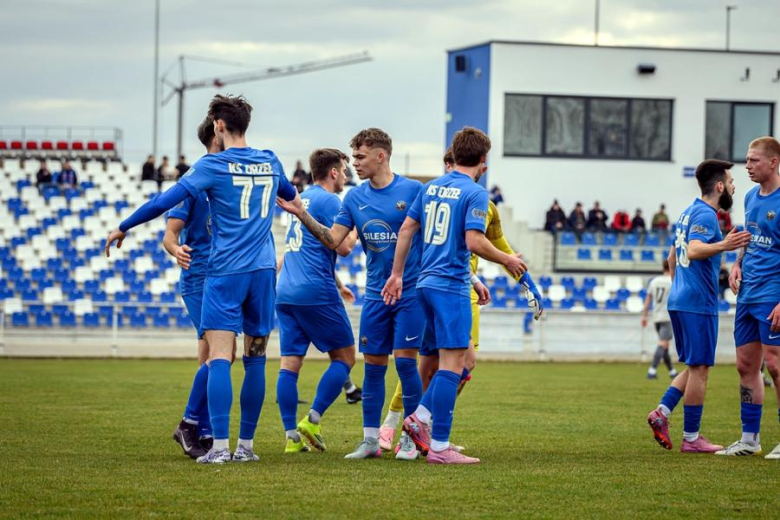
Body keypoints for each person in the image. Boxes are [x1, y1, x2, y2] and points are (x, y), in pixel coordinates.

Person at [105, 94, 299, 464]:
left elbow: (164, 200)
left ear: (219, 125)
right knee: (256, 358)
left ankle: (220, 448)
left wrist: (123, 225)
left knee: (220, 357)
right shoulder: (270, 160)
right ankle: (247, 448)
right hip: (262, 271)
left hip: (225, 270)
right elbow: (291, 196)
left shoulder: (213, 165)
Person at [379, 149, 543, 451]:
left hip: (435, 286)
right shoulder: (470, 194)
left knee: (441, 364)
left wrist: (398, 273)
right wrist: (506, 263)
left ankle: (416, 434)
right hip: (450, 288)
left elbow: (494, 244)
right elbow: (473, 242)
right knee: (450, 364)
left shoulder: (438, 191)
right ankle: (416, 428)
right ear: (482, 163)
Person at [277, 128, 426, 461]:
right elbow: (334, 241)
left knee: (405, 366)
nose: (355, 164)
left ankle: (410, 439)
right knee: (372, 369)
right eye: (353, 158)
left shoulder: (414, 190)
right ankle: (371, 441)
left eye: (360, 157)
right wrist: (302, 214)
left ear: (380, 155)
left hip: (410, 292)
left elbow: (431, 238)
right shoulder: (353, 199)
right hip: (375, 295)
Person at [646, 159, 751, 454]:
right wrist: (724, 246)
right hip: (697, 303)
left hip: (681, 299)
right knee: (701, 368)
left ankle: (662, 413)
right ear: (719, 187)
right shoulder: (706, 215)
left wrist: (681, 285)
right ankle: (691, 438)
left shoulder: (686, 212)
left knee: (695, 366)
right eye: (730, 182)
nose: (733, 186)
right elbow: (692, 250)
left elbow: (671, 257)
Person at [275, 148, 358, 454]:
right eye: (344, 171)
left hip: (285, 290)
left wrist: (339, 283)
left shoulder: (304, 199)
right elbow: (344, 246)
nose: (346, 177)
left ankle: (291, 437)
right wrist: (362, 226)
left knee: (289, 365)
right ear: (333, 172)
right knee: (346, 358)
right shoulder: (331, 201)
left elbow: (311, 248)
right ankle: (312, 419)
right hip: (314, 291)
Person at [165, 116, 225, 459]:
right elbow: (169, 234)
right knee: (220, 352)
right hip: (199, 277)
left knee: (212, 354)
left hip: (222, 277)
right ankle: (190, 423)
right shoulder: (193, 182)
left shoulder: (227, 180)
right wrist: (176, 249)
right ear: (217, 135)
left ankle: (202, 428)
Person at [720, 136, 780, 458]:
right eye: (747, 160)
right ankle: (749, 439)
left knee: (776, 365)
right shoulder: (749, 197)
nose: (747, 166)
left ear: (773, 162)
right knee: (746, 366)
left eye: (754, 160)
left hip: (774, 292)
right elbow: (750, 238)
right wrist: (736, 264)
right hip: (748, 292)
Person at [641, 259, 677, 380]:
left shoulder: (654, 281)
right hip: (667, 316)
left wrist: (644, 316)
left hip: (656, 317)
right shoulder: (673, 281)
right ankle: (652, 370)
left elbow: (647, 300)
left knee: (665, 345)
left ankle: (672, 371)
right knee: (663, 344)